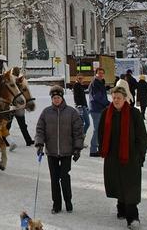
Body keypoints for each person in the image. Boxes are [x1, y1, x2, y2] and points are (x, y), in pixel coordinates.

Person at [99, 86, 147, 230]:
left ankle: (133, 217)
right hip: (112, 157)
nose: (116, 101)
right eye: (113, 98)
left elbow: (142, 137)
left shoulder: (134, 113)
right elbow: (100, 134)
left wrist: (140, 155)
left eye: (118, 98)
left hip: (131, 157)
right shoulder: (106, 113)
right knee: (117, 183)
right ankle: (121, 207)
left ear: (125, 98)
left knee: (130, 186)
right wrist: (104, 149)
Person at [35, 85, 84, 214]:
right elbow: (40, 130)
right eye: (54, 98)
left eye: (58, 97)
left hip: (66, 151)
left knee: (64, 176)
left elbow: (78, 131)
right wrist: (39, 144)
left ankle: (68, 201)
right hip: (51, 151)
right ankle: (56, 204)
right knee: (54, 179)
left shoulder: (71, 112)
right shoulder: (46, 112)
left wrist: (77, 148)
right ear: (51, 99)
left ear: (62, 98)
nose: (56, 100)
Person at [88, 68, 110, 157]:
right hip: (96, 109)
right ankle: (93, 150)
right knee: (97, 129)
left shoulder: (100, 83)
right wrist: (107, 103)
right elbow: (97, 97)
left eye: (102, 73)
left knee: (100, 129)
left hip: (100, 108)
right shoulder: (95, 83)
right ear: (96, 74)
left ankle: (99, 147)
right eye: (99, 73)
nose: (101, 75)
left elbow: (103, 96)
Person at [71, 73, 90, 137]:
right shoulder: (76, 85)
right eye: (79, 78)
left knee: (83, 123)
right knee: (85, 123)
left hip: (84, 106)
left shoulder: (80, 85)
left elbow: (83, 98)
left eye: (82, 78)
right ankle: (80, 137)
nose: (80, 79)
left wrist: (86, 106)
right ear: (77, 78)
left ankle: (80, 138)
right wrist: (79, 106)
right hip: (80, 107)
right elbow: (76, 97)